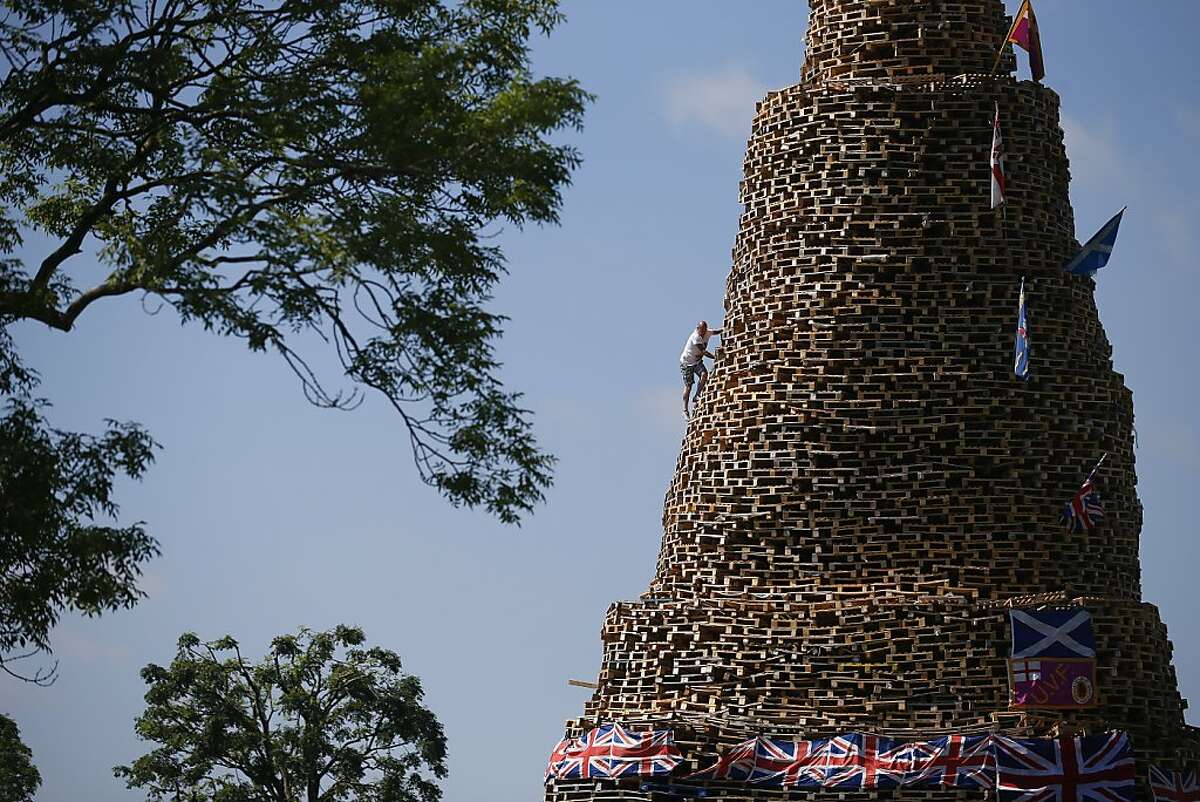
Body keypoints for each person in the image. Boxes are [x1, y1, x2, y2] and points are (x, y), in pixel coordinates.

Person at [679, 320, 722, 418]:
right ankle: (685, 410)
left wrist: (726, 328)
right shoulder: (695, 337)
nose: (703, 332)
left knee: (704, 374)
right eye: (701, 330)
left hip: (697, 361)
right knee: (688, 386)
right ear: (697, 329)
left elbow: (715, 332)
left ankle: (697, 395)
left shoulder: (707, 332)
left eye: (704, 330)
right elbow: (704, 352)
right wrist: (716, 357)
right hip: (687, 363)